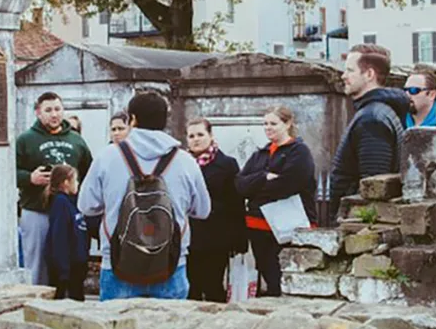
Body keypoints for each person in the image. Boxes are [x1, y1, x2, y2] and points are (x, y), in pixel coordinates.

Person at [78, 91, 211, 300]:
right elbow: (203, 211)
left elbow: (86, 205)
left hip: (117, 262)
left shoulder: (107, 157)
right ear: (165, 120)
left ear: (133, 119)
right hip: (171, 262)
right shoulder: (185, 161)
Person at [236, 106, 317, 297]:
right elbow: (239, 185)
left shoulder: (299, 152)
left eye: (273, 123)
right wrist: (264, 177)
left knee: (288, 278)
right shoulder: (259, 154)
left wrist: (255, 188)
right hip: (257, 225)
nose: (268, 127)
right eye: (265, 123)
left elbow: (288, 185)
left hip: (288, 225)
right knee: (268, 274)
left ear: (287, 124)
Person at [16, 92, 93, 286]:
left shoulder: (76, 140)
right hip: (37, 210)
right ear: (38, 113)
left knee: (69, 259)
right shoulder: (26, 139)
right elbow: (7, 172)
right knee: (37, 263)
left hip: (68, 211)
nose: (54, 114)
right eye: (48, 110)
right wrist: (29, 178)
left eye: (58, 109)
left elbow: (90, 172)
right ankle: (37, 301)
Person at [328, 43, 410, 224]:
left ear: (369, 75)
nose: (344, 76)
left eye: (350, 70)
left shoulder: (371, 119)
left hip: (358, 224)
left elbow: (373, 188)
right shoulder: (375, 112)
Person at [184, 118, 244, 302]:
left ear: (210, 136)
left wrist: (239, 239)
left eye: (200, 134)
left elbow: (236, 203)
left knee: (213, 287)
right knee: (190, 288)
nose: (196, 139)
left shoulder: (227, 164)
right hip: (188, 237)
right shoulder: (181, 163)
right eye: (191, 136)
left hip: (216, 237)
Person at [44, 165, 87, 301]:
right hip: (67, 268)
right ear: (66, 183)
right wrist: (63, 271)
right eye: (75, 180)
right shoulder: (60, 203)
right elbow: (59, 237)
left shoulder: (73, 203)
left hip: (76, 266)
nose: (78, 184)